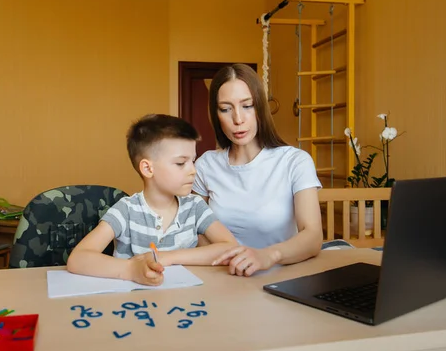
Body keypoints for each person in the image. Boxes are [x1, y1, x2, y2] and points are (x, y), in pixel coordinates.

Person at [67, 114, 237, 286]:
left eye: (192, 161)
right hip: (135, 306)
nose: (193, 170)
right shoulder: (126, 210)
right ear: (148, 168)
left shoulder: (195, 206)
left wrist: (167, 257)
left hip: (187, 304)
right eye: (180, 163)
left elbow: (230, 248)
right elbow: (78, 259)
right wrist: (131, 270)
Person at [192, 64, 323, 277]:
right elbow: (196, 229)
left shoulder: (295, 161)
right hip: (224, 277)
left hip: (281, 276)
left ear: (260, 108)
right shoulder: (206, 165)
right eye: (225, 109)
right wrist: (229, 260)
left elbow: (313, 236)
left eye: (247, 106)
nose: (238, 119)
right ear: (216, 115)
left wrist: (267, 256)